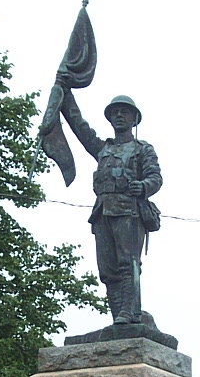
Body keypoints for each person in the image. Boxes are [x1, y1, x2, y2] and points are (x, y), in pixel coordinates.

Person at [56, 87, 163, 324]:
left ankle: (128, 312)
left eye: (124, 112)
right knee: (107, 270)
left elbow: (155, 177)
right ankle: (119, 316)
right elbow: (79, 127)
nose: (119, 116)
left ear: (134, 119)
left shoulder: (142, 149)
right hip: (103, 212)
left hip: (129, 211)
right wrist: (65, 94)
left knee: (128, 264)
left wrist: (143, 186)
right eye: (115, 112)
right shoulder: (103, 148)